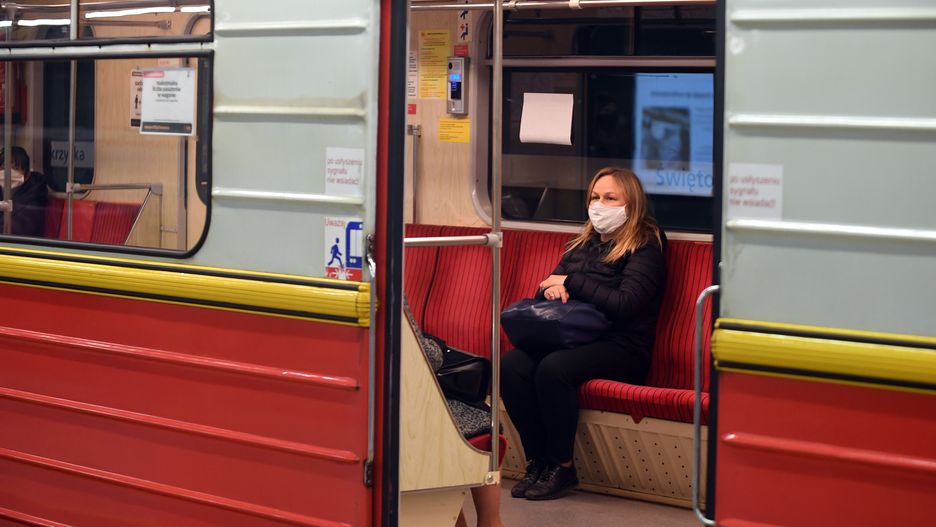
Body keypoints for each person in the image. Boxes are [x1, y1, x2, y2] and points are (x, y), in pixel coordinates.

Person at [501, 167, 666, 501]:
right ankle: (538, 460)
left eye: (610, 198)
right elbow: (548, 286)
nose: (599, 205)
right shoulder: (582, 243)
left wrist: (572, 283)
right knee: (512, 365)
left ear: (631, 204)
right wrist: (551, 290)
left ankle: (562, 466)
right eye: (594, 197)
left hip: (623, 346)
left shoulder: (645, 245)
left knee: (553, 369)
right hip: (573, 338)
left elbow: (624, 305)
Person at [0, 147, 47, 237]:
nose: (8, 173)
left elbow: (20, 227)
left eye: (15, 168)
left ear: (27, 174)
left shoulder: (34, 194)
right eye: (3, 168)